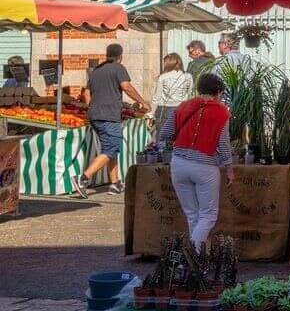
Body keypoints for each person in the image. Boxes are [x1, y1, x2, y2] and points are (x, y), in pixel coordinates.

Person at [157, 72, 235, 248]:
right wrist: (229, 169)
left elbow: (165, 133)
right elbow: (223, 143)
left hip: (178, 163)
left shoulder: (183, 106)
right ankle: (193, 253)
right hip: (205, 165)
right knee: (208, 215)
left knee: (193, 214)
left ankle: (198, 260)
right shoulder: (221, 111)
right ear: (218, 91)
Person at [72, 44, 148, 197]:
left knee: (110, 149)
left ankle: (115, 183)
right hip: (109, 115)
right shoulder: (118, 68)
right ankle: (83, 178)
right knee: (110, 149)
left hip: (94, 115)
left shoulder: (95, 71)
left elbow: (87, 94)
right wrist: (142, 101)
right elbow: (126, 87)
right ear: (120, 55)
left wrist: (92, 108)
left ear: (107, 54)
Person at [152, 53, 194, 137]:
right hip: (182, 110)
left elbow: (157, 98)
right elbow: (191, 96)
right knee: (180, 138)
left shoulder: (163, 77)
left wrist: (151, 114)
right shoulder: (188, 76)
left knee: (162, 139)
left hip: (164, 111)